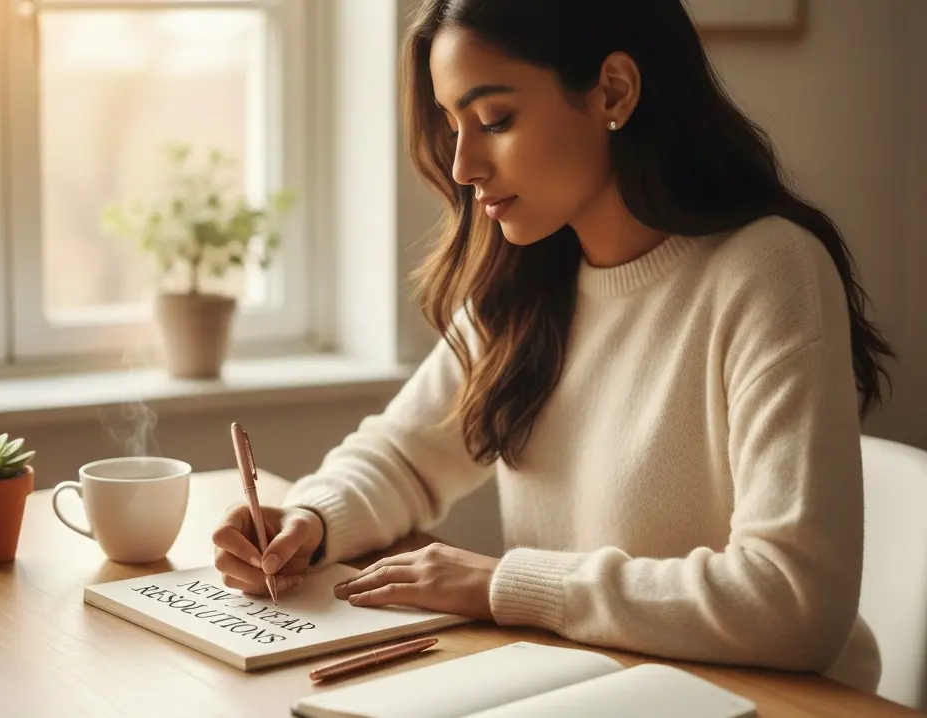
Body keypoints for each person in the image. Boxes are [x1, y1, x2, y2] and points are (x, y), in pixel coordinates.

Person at [211, 0, 894, 693]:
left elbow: (791, 601)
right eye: (451, 126)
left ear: (613, 92)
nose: (464, 164)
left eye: (495, 121)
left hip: (769, 702)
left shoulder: (768, 271)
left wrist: (502, 584)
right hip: (588, 687)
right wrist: (312, 519)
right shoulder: (529, 283)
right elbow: (403, 456)